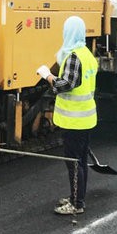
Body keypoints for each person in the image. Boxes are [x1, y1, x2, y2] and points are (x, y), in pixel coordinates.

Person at [36, 16, 98, 215]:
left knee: (73, 162)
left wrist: (47, 75)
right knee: (80, 161)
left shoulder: (73, 57)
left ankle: (76, 204)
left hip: (74, 120)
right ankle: (77, 196)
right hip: (86, 118)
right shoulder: (87, 54)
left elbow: (65, 85)